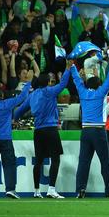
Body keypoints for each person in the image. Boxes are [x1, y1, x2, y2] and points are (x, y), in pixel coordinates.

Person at [71, 58, 109, 198]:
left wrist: (72, 66)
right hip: (98, 131)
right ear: (98, 85)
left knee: (83, 162)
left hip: (85, 131)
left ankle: (80, 190)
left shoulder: (82, 92)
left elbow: (76, 80)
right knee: (105, 162)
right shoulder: (100, 92)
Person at [0, 74, 32, 199]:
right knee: (9, 165)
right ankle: (10, 189)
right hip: (5, 140)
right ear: (1, 96)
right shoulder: (7, 104)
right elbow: (22, 96)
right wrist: (28, 83)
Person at [26, 66, 71, 199]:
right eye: (51, 80)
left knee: (38, 161)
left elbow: (21, 110)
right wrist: (67, 69)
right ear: (47, 82)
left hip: (38, 131)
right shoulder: (49, 91)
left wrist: (13, 117)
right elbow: (63, 84)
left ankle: (36, 191)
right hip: (50, 129)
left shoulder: (32, 95)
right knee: (55, 159)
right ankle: (51, 189)